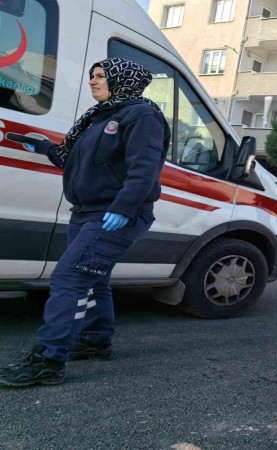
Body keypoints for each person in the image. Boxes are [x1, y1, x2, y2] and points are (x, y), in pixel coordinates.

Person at [0, 58, 170, 387]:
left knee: (70, 278)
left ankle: (49, 359)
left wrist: (123, 207)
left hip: (115, 214)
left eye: (101, 76)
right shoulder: (98, 117)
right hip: (86, 211)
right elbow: (72, 158)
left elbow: (144, 169)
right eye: (92, 76)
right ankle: (95, 340)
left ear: (122, 79)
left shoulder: (141, 115)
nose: (93, 81)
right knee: (95, 279)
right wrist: (42, 146)